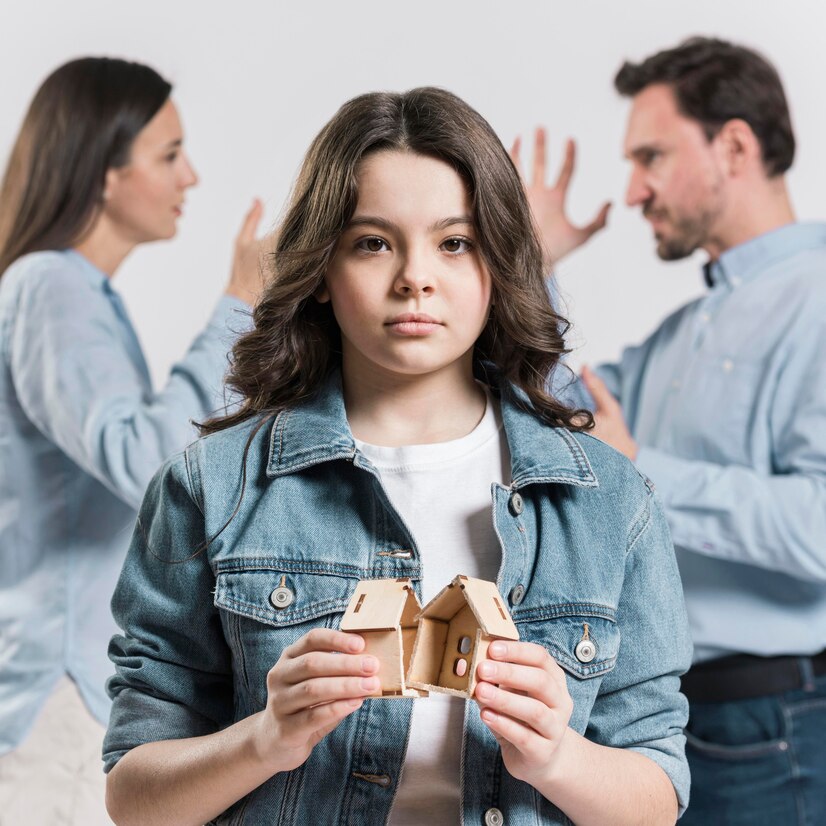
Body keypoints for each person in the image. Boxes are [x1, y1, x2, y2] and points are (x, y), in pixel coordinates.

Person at [102, 86, 691, 826]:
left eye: (455, 243)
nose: (416, 277)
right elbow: (133, 797)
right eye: (373, 242)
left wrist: (556, 757)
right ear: (322, 269)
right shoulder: (210, 487)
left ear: (497, 264)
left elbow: (659, 796)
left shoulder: (610, 500)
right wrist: (265, 740)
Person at [520, 37, 826, 825]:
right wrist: (532, 265)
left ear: (735, 147)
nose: (633, 191)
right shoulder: (682, 332)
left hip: (774, 730)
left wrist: (641, 469)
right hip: (664, 727)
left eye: (651, 156)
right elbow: (558, 416)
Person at [0, 56, 262, 824]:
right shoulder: (52, 286)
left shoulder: (72, 293)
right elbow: (149, 462)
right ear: (105, 173)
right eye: (169, 154)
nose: (191, 176)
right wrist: (239, 306)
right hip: (64, 699)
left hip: (69, 692)